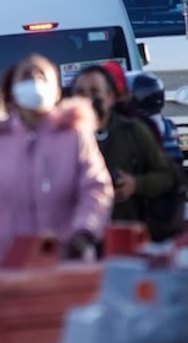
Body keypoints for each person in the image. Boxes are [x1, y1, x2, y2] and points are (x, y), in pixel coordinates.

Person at [0, 55, 114, 270]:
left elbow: (96, 187)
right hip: (1, 269)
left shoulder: (75, 136)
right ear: (12, 91)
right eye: (26, 76)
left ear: (57, 91)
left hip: (65, 267)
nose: (33, 80)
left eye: (41, 75)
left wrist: (85, 230)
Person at [70, 66, 177, 231]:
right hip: (76, 235)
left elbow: (168, 176)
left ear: (111, 97)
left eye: (94, 91)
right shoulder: (61, 139)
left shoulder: (134, 132)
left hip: (128, 233)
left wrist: (135, 184)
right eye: (81, 92)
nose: (87, 98)